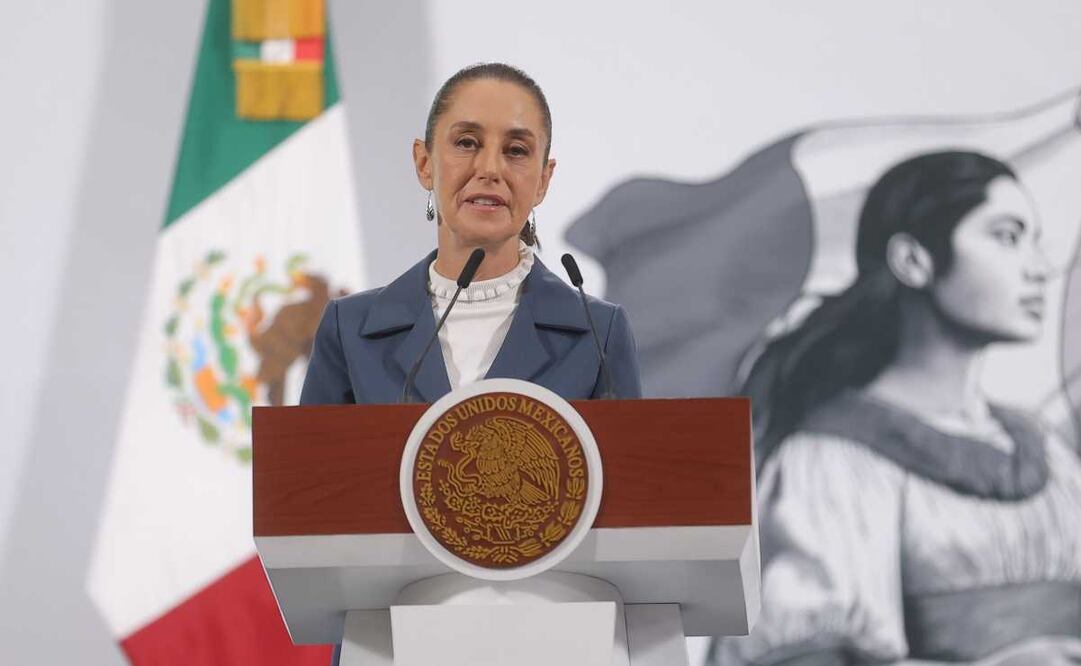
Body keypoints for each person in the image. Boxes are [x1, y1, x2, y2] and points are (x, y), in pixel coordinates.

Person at [716, 151, 1081, 665]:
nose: (1041, 268)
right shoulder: (832, 460)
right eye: (1006, 236)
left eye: (1034, 240)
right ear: (914, 261)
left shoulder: (1049, 452)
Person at [300, 62, 641, 407]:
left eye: (517, 150)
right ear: (424, 163)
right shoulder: (350, 330)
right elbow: (311, 461)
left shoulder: (598, 334)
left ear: (543, 180)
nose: (490, 168)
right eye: (466, 143)